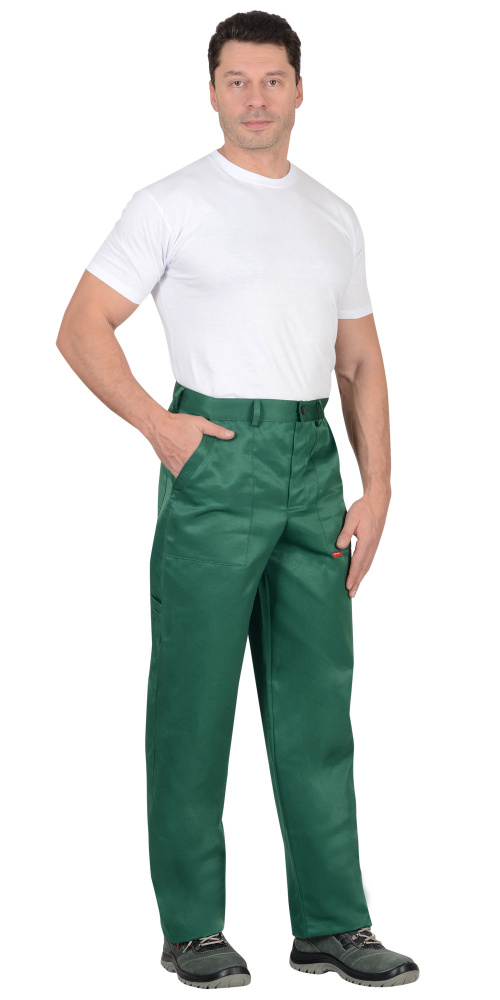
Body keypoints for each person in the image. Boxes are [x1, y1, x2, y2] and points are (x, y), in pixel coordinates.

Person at [56, 10, 419, 991]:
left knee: (316, 707)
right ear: (211, 91)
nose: (255, 98)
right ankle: (192, 930)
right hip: (213, 456)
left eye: (271, 79)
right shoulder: (170, 202)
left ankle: (332, 925)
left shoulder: (333, 214)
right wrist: (160, 426)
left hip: (311, 464)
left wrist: (378, 486)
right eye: (236, 80)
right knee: (194, 702)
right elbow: (82, 325)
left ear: (300, 89)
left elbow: (357, 359)